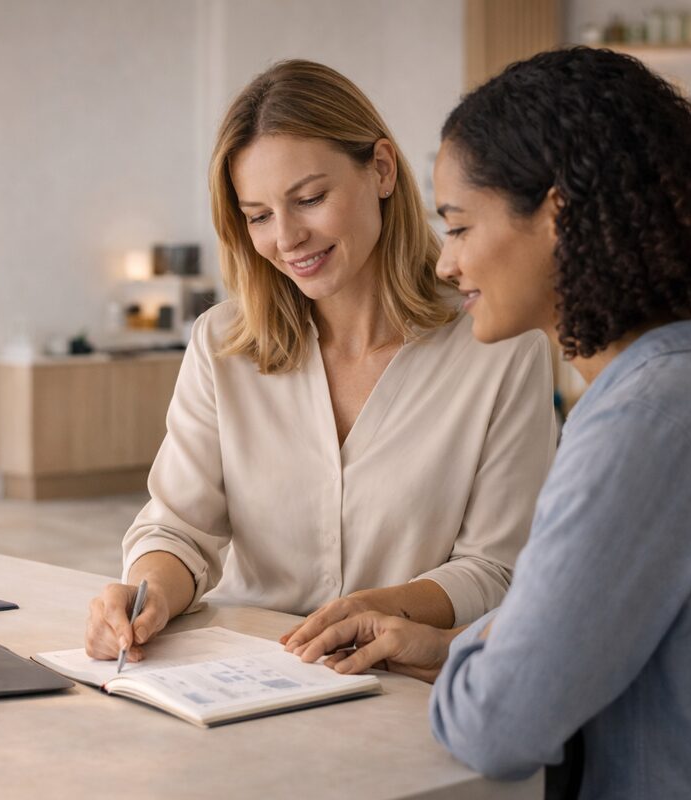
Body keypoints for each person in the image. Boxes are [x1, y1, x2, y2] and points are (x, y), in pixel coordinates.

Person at [292, 47, 691, 798]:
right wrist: (458, 641)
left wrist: (493, 645)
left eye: (460, 227)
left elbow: (496, 728)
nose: (445, 263)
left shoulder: (640, 430)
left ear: (559, 217)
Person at [84, 59, 557, 663]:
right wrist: (145, 592)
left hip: (401, 684)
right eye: (258, 216)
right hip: (246, 676)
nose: (286, 238)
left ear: (381, 170)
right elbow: (179, 527)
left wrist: (370, 611)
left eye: (309, 199)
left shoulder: (500, 344)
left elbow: (496, 566)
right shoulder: (221, 344)